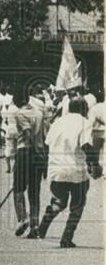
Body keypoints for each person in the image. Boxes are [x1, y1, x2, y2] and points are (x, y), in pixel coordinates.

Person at [28, 98, 102, 247]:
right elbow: (86, 145)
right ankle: (66, 238)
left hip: (56, 170)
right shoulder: (84, 123)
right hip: (75, 170)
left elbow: (47, 145)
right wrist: (95, 164)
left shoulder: (58, 123)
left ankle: (41, 230)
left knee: (59, 202)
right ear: (83, 109)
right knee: (78, 204)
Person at [10, 89, 46, 238]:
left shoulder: (19, 113)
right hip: (39, 152)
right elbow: (43, 135)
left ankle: (22, 218)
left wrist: (33, 150)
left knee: (18, 188)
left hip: (25, 151)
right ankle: (35, 225)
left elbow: (27, 132)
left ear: (18, 101)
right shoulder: (39, 113)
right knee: (34, 191)